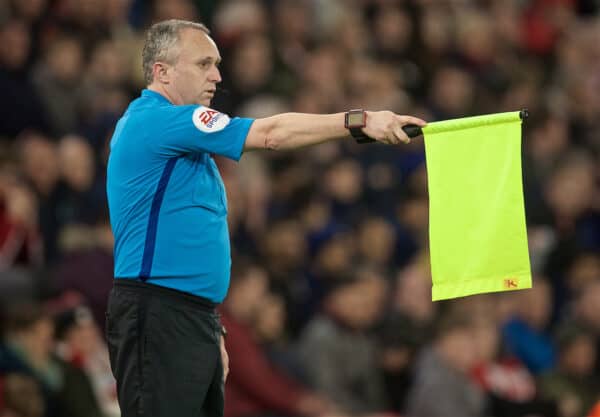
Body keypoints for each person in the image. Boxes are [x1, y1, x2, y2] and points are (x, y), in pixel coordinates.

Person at [105, 18, 426, 417]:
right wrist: (361, 120)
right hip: (159, 316)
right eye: (204, 64)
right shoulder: (159, 120)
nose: (218, 76)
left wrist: (208, 323)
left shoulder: (180, 140)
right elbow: (272, 133)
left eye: (218, 63)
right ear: (162, 72)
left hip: (188, 317)